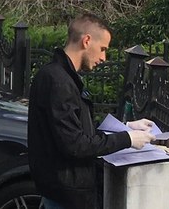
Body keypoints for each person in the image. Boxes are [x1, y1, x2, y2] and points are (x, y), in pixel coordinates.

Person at [27, 14, 155, 209]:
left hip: (63, 191)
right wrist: (127, 139)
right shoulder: (59, 81)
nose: (104, 58)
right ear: (86, 41)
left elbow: (75, 129)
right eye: (103, 49)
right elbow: (75, 144)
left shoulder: (62, 76)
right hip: (67, 194)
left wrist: (125, 126)